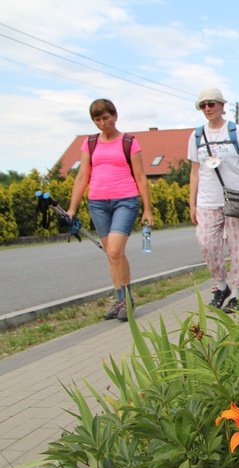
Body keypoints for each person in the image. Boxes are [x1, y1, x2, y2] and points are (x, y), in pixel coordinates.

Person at [66, 98, 154, 322]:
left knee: (115, 251)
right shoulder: (90, 143)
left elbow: (141, 178)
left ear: (115, 116)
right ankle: (121, 299)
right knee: (112, 255)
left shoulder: (128, 142)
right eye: (97, 119)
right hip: (98, 203)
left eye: (106, 118)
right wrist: (72, 208)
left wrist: (147, 210)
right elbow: (82, 176)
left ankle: (126, 300)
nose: (102, 123)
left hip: (125, 200)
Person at [188, 88, 239, 313]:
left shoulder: (235, 131)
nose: (208, 109)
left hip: (235, 197)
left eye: (212, 104)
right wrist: (191, 203)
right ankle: (221, 285)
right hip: (207, 200)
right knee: (206, 242)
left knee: (238, 246)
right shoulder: (197, 136)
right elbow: (194, 171)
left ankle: (236, 293)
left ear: (221, 105)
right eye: (203, 105)